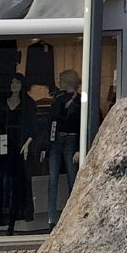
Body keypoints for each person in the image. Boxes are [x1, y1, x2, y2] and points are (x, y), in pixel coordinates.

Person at [0, 73, 36, 235]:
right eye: (12, 82)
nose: (14, 84)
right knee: (1, 182)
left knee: (17, 184)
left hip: (19, 147)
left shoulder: (28, 104)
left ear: (22, 85)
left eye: (17, 82)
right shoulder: (3, 104)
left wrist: (27, 144)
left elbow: (32, 127)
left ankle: (14, 221)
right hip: (4, 146)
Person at [46, 70, 81, 230]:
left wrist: (80, 148)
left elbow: (82, 124)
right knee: (52, 179)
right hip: (58, 140)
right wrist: (47, 143)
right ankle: (51, 218)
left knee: (72, 179)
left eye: (61, 80)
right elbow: (51, 121)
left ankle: (73, 216)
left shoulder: (81, 101)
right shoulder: (58, 100)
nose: (59, 82)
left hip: (71, 140)